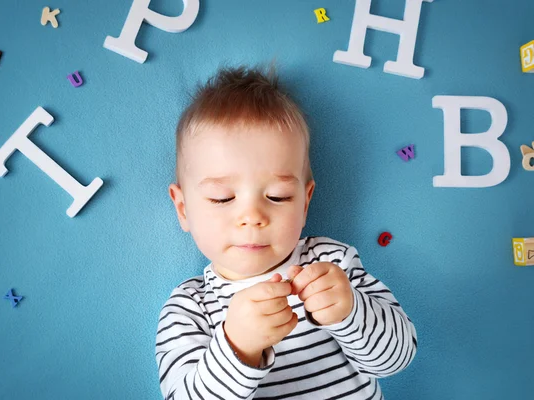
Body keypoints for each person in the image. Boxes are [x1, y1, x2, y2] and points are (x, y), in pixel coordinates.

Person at [156, 64, 417, 399]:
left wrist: (350, 310)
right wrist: (238, 347)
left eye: (278, 196)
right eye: (222, 198)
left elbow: (398, 357)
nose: (252, 217)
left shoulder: (332, 263)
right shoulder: (190, 308)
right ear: (183, 208)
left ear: (305, 203)